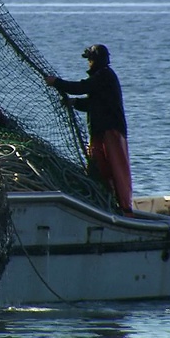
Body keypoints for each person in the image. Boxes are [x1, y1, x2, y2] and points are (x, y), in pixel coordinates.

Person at [45, 44, 133, 217]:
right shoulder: (101, 78)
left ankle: (125, 208)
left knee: (117, 169)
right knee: (101, 169)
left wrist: (56, 83)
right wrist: (75, 103)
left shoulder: (104, 76)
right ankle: (109, 202)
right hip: (99, 131)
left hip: (111, 132)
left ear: (96, 60)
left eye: (90, 59)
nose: (89, 63)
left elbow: (81, 88)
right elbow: (93, 103)